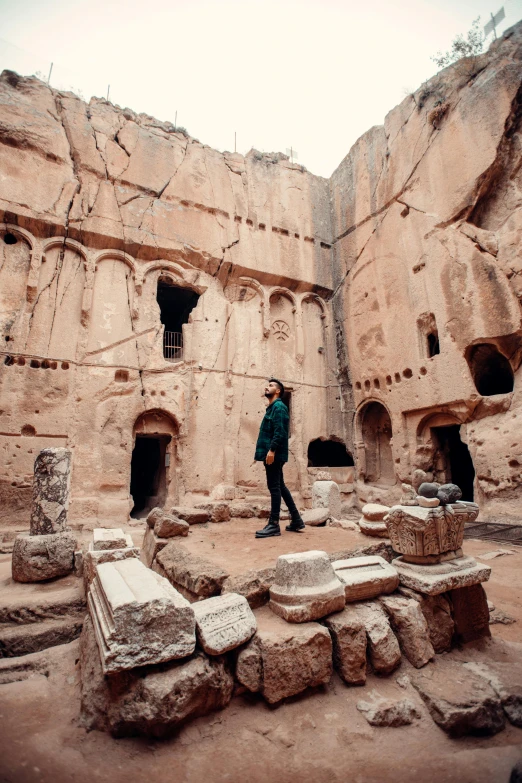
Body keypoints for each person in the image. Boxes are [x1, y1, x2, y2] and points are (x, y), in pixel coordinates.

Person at [254, 378, 305, 538]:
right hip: (272, 453)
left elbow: (280, 431)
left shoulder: (279, 407)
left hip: (274, 454)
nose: (266, 387)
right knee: (280, 486)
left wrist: (272, 450)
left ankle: (274, 524)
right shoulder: (272, 408)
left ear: (278, 391)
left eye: (270, 386)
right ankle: (296, 519)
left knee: (274, 487)